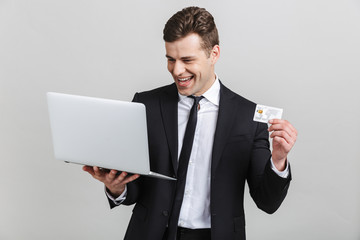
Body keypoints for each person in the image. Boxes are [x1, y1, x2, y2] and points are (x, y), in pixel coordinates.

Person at [83, 6, 297, 240]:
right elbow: (134, 188)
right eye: (170, 59)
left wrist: (278, 160)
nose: (177, 70)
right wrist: (117, 187)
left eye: (187, 60)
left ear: (214, 54)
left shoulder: (248, 117)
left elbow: (267, 202)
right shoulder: (145, 105)